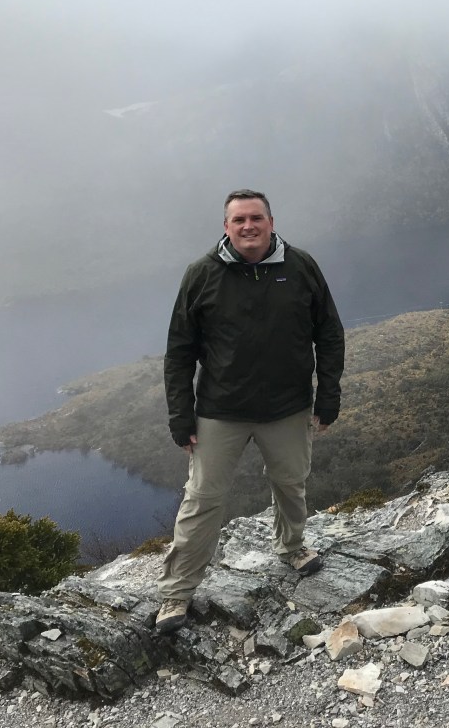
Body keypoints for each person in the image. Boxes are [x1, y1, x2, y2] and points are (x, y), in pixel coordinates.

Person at [155, 189, 345, 633]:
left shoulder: (301, 267)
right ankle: (176, 594)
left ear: (271, 222)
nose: (248, 226)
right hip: (220, 410)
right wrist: (181, 415)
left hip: (288, 406)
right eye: (238, 220)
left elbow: (329, 334)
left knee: (291, 482)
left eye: (256, 218)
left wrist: (328, 396)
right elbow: (179, 352)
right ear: (226, 227)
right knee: (203, 498)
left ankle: (292, 547)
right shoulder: (202, 274)